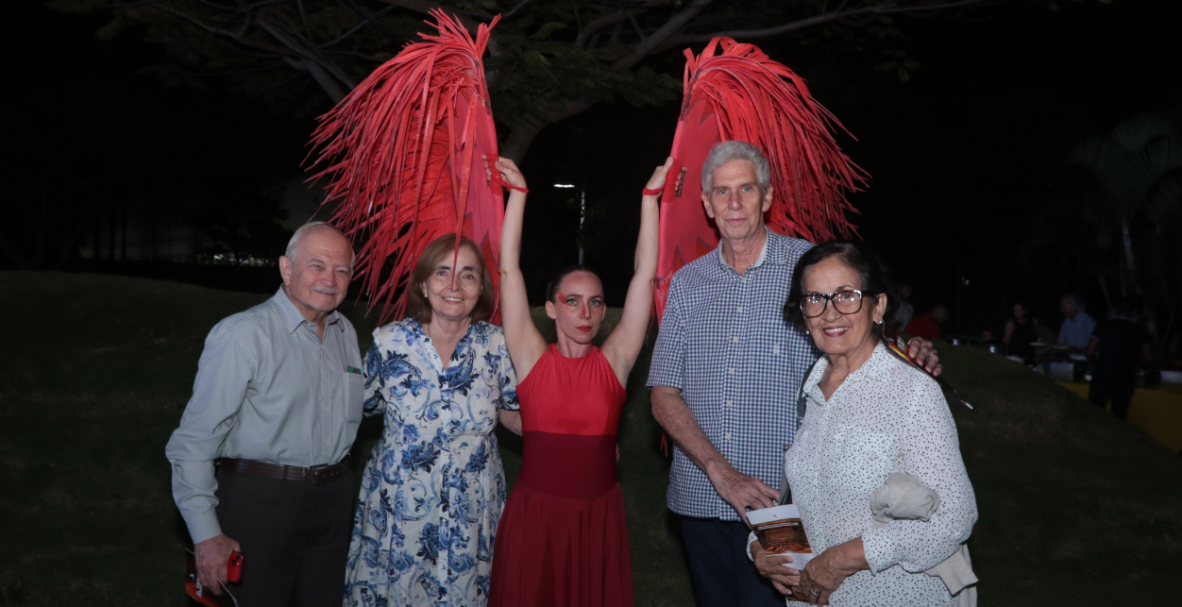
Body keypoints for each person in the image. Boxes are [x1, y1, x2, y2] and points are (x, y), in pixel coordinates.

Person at [647, 141, 940, 607]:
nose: (735, 203)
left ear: (767, 197)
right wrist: (719, 472)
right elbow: (663, 393)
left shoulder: (807, 269)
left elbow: (854, 337)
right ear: (706, 204)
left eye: (747, 189)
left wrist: (909, 350)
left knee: (785, 601)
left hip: (781, 502)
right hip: (701, 498)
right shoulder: (686, 284)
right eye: (722, 193)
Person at [752, 240, 977, 606]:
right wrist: (766, 550)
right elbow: (804, 496)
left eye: (846, 295)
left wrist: (841, 560)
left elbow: (955, 517)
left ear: (878, 306)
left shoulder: (911, 390)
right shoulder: (808, 391)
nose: (829, 313)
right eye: (815, 298)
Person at [488, 156, 662, 607]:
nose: (584, 314)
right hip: (535, 518)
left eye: (596, 303)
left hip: (597, 518)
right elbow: (508, 272)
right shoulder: (530, 357)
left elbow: (645, 275)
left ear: (606, 311)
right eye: (572, 301)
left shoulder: (615, 362)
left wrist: (649, 200)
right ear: (551, 308)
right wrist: (519, 197)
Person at [166, 222, 362, 604]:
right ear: (286, 269)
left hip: (334, 504)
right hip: (260, 505)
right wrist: (206, 533)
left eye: (342, 270)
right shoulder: (243, 334)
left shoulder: (345, 333)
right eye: (317, 266)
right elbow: (192, 443)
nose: (330, 279)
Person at [343, 234, 521, 606]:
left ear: (481, 288)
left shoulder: (498, 345)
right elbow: (357, 408)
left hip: (472, 512)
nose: (454, 285)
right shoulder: (389, 342)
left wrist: (578, 440)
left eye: (468, 275)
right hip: (398, 508)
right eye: (442, 272)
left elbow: (512, 414)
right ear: (424, 284)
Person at [1086, 297, 1152, 420]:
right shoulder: (1139, 331)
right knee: (1119, 416)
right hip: (1125, 378)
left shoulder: (1103, 326)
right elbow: (1149, 358)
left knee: (1094, 412)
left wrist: (1096, 361)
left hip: (1102, 374)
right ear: (1133, 313)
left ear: (1116, 311)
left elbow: (1089, 352)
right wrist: (1135, 359)